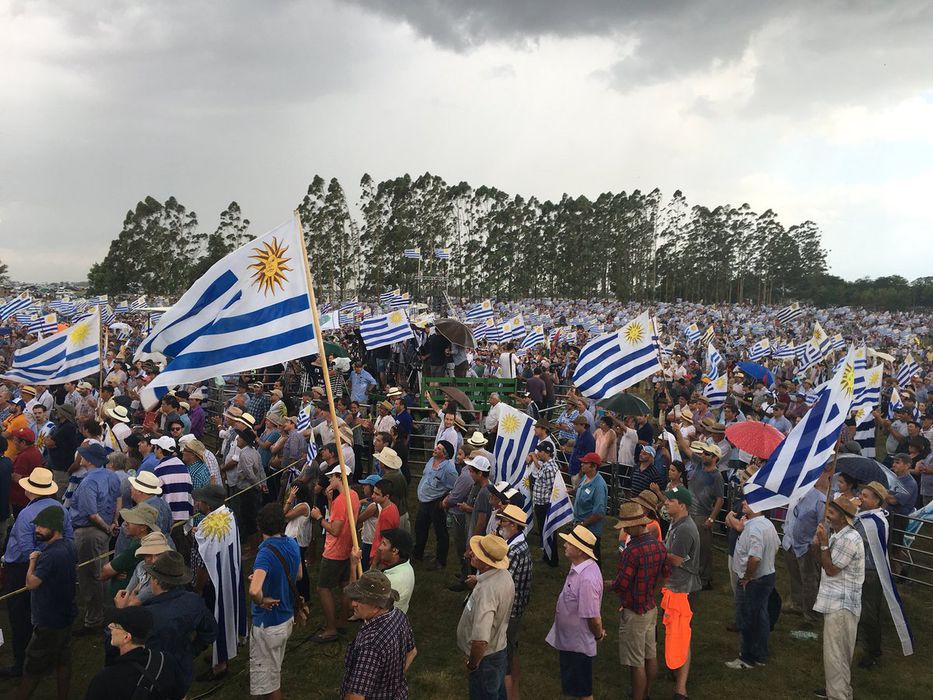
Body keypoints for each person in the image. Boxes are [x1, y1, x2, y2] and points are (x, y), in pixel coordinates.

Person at [0, 466, 73, 679]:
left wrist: (38, 560)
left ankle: (22, 663)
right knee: (41, 611)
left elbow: (25, 548)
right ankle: (43, 657)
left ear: (31, 490)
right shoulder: (60, 508)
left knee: (20, 615)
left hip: (25, 567)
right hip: (53, 561)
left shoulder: (25, 515)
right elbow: (68, 537)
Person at [116, 551, 217, 698]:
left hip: (151, 679)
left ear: (156, 581)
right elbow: (211, 632)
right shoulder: (194, 601)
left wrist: (121, 614)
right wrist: (192, 650)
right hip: (182, 672)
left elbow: (117, 648)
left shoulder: (146, 616)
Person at [16, 505, 77, 700]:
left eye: (42, 526)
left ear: (54, 527)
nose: (37, 530)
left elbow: (31, 583)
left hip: (48, 622)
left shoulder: (50, 555)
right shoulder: (69, 546)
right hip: (66, 615)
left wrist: (33, 560)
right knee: (63, 662)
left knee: (32, 667)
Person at [610, 502, 670, 700]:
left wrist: (602, 584)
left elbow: (621, 584)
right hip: (650, 607)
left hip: (635, 610)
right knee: (650, 654)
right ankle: (647, 692)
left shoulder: (631, 551)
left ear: (636, 525)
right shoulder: (659, 545)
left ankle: (638, 696)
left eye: (627, 527)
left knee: (636, 663)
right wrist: (652, 592)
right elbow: (665, 574)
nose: (625, 530)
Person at [813, 495, 865, 700]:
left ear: (844, 518)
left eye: (832, 512)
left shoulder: (850, 539)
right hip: (834, 601)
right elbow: (821, 562)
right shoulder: (836, 534)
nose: (827, 514)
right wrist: (818, 543)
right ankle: (838, 691)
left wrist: (824, 544)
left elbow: (832, 569)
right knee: (836, 653)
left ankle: (838, 695)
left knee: (837, 654)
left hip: (842, 605)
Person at [545, 525, 605, 700]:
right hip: (571, 642)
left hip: (578, 645)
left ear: (580, 550)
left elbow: (594, 618)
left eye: (569, 543)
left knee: (583, 692)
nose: (564, 545)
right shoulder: (580, 569)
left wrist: (598, 635)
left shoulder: (587, 579)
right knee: (575, 688)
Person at [68, 442, 122, 635]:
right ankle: (102, 613)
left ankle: (94, 620)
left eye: (83, 455)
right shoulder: (111, 475)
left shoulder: (88, 481)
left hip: (90, 532)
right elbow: (118, 498)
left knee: (91, 577)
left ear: (89, 460)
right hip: (103, 529)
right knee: (102, 571)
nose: (80, 457)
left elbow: (91, 513)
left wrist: (108, 526)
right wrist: (114, 521)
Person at [249, 502, 301, 700]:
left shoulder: (264, 553)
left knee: (270, 683)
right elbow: (299, 575)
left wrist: (261, 599)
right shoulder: (292, 543)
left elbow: (254, 591)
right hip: (286, 617)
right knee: (274, 670)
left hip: (268, 623)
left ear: (260, 527)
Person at [340, 569, 417, 700]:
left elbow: (355, 697)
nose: (353, 603)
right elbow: (412, 652)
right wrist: (392, 681)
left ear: (377, 606)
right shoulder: (398, 615)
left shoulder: (370, 644)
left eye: (360, 600)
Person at [456, 533, 514, 700]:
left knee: (484, 693)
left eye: (477, 553)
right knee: (497, 691)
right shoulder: (505, 575)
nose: (472, 554)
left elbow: (481, 640)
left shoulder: (486, 593)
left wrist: (473, 664)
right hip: (499, 649)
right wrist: (479, 580)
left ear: (487, 563)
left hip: (485, 659)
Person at [725, 498, 780, 670]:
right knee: (761, 616)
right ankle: (760, 654)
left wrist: (748, 576)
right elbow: (776, 545)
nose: (743, 504)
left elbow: (755, 557)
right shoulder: (767, 524)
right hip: (767, 575)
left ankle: (747, 657)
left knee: (749, 617)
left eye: (748, 502)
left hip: (755, 580)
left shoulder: (755, 528)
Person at [658, 486, 701, 700]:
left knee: (682, 637)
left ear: (682, 505)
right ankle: (672, 669)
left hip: (683, 589)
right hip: (675, 586)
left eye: (670, 500)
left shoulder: (684, 529)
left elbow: (675, 559)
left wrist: (655, 549)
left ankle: (681, 690)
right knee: (672, 633)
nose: (666, 503)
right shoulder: (677, 523)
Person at [309, 464, 360, 644]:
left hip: (334, 551)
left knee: (323, 588)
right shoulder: (353, 495)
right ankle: (343, 621)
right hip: (347, 548)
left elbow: (335, 529)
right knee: (345, 585)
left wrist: (318, 518)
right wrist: (330, 501)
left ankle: (331, 628)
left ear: (340, 477)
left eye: (332, 476)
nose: (329, 479)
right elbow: (343, 519)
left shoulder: (341, 500)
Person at [84, 607, 179, 700]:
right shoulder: (166, 661)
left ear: (126, 637)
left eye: (116, 625)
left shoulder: (104, 680)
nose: (110, 626)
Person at [781, 470, 827, 625]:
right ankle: (797, 604)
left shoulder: (820, 500)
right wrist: (786, 533)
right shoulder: (794, 495)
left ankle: (811, 614)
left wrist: (815, 541)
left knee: (809, 581)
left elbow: (823, 525)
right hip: (790, 544)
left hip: (806, 547)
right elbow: (789, 516)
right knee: (795, 577)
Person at [497, 504, 532, 700]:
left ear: (512, 525)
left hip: (510, 610)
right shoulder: (520, 544)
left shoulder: (514, 550)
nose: (499, 524)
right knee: (512, 648)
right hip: (517, 607)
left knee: (505, 660)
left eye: (502, 520)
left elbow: (503, 580)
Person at [413, 440, 457, 569]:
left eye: (438, 449)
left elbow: (456, 487)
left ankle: (440, 560)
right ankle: (417, 554)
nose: (435, 450)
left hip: (436, 502)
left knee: (440, 531)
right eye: (436, 447)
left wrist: (445, 500)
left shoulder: (449, 469)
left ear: (444, 454)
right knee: (420, 528)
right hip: (424, 501)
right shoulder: (430, 461)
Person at [688, 443, 724, 589]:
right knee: (691, 546)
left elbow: (720, 499)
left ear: (715, 458)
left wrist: (711, 518)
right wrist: (677, 432)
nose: (703, 455)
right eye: (703, 452)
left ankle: (705, 579)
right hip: (690, 512)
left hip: (702, 515)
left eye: (707, 454)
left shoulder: (717, 476)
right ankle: (693, 574)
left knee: (703, 548)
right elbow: (685, 448)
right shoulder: (698, 463)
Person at [569, 452, 607, 565]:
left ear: (594, 466)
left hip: (590, 531)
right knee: (580, 557)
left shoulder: (599, 486)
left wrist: (582, 524)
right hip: (581, 526)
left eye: (585, 463)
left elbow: (599, 513)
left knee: (591, 559)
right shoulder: (586, 477)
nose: (582, 464)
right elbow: (579, 489)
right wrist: (571, 491)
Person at [366, 528, 415, 614]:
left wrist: (353, 565)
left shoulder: (390, 580)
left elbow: (362, 598)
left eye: (384, 544)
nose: (379, 547)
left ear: (395, 551)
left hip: (381, 622)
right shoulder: (407, 566)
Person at [530, 441, 560, 567]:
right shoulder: (547, 465)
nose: (538, 453)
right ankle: (547, 555)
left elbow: (552, 488)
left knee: (549, 531)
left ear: (547, 452)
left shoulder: (550, 468)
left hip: (545, 504)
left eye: (540, 451)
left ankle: (552, 559)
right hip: (541, 503)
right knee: (544, 530)